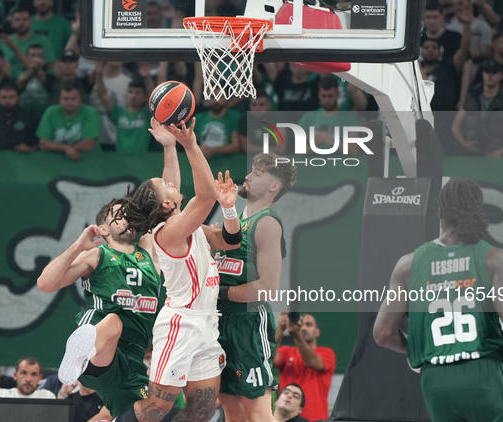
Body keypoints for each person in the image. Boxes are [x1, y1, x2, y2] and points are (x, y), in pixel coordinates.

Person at [373, 177, 503, 422]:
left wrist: (421, 348)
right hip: (483, 373)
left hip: (436, 381)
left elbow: (382, 334)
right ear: (479, 211)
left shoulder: (407, 265)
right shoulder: (494, 258)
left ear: (440, 213)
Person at [112, 117, 242, 422]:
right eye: (166, 187)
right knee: (156, 409)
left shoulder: (183, 222)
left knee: (202, 411)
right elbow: (205, 195)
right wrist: (190, 144)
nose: (172, 182)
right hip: (181, 325)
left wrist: (170, 148)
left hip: (207, 322)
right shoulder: (168, 233)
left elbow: (230, 241)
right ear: (166, 205)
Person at [37, 189, 163, 417]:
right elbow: (45, 283)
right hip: (102, 352)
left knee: (150, 413)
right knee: (113, 321)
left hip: (132, 361)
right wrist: (78, 246)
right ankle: (81, 354)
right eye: (119, 214)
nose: (127, 216)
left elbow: (160, 193)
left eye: (130, 213)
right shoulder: (98, 254)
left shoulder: (148, 253)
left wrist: (169, 151)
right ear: (103, 228)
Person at [217, 152, 297, 422]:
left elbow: (267, 288)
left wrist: (219, 292)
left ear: (274, 186)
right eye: (252, 170)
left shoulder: (266, 223)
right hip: (221, 321)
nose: (248, 176)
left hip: (249, 324)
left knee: (257, 411)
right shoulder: (235, 222)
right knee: (230, 406)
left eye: (259, 173)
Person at [274, 313, 336, 422]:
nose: (303, 328)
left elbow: (312, 361)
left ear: (317, 332)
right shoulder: (286, 352)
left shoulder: (327, 353)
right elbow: (269, 359)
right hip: (285, 418)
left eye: (308, 324)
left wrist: (296, 335)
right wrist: (280, 328)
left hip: (316, 419)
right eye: (301, 324)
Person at [452, 60, 503, 157]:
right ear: (483, 74)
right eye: (487, 71)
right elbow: (455, 126)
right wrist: (464, 144)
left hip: (497, 157)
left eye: (494, 72)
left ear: (501, 75)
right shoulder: (471, 97)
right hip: (471, 155)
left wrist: (501, 152)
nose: (489, 75)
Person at [94, 64, 154, 153]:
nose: (134, 96)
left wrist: (147, 78)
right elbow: (103, 95)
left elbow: (153, 98)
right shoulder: (118, 113)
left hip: (143, 160)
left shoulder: (147, 114)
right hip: (121, 160)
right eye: (130, 92)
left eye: (138, 93)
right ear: (126, 95)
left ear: (144, 97)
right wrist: (99, 74)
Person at [297, 75, 362, 154]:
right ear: (318, 95)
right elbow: (298, 149)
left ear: (337, 94)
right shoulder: (308, 118)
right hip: (314, 163)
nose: (327, 100)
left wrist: (331, 141)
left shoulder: (350, 119)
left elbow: (354, 150)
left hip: (341, 164)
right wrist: (315, 145)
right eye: (323, 96)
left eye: (330, 96)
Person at [37, 80, 100, 161]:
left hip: (87, 160)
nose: (69, 102)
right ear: (60, 100)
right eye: (65, 99)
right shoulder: (51, 112)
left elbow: (89, 144)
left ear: (80, 99)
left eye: (73, 99)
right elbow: (43, 144)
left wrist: (67, 149)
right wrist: (66, 148)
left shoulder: (90, 112)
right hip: (56, 161)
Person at [0, 7, 55, 76]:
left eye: (25, 20)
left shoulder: (43, 41)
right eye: (17, 20)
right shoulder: (4, 42)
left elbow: (50, 67)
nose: (21, 23)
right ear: (11, 23)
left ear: (31, 22)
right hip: (9, 83)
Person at [0, 83, 38, 152]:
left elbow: (40, 143)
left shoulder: (30, 118)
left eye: (11, 97)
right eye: (4, 97)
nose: (7, 101)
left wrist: (30, 149)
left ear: (18, 98)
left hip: (25, 160)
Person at [193, 90, 241, 159]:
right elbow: (189, 144)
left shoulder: (235, 117)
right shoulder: (198, 118)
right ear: (207, 99)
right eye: (212, 97)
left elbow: (236, 147)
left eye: (220, 96)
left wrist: (213, 150)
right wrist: (199, 150)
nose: (216, 100)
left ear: (226, 98)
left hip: (229, 164)